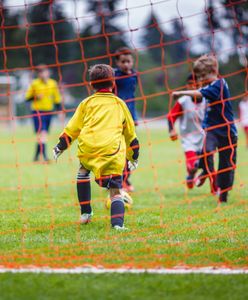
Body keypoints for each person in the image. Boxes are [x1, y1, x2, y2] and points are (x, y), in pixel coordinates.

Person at [53, 64, 139, 230]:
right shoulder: (120, 104)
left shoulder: (86, 103)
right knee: (115, 190)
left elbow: (72, 128)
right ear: (113, 83)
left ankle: (85, 213)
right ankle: (117, 225)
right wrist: (133, 156)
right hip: (111, 152)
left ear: (91, 85)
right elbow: (130, 133)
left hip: (89, 149)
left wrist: (60, 146)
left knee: (83, 172)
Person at [172, 54, 238, 203]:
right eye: (199, 77)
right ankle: (204, 171)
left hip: (227, 131)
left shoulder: (219, 84)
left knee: (226, 165)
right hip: (212, 129)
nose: (200, 80)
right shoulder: (209, 85)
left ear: (214, 70)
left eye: (202, 76)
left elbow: (198, 93)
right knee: (207, 150)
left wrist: (181, 92)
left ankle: (223, 195)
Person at [167, 74, 205, 189]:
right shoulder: (183, 101)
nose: (193, 87)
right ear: (186, 86)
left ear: (201, 85)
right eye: (190, 84)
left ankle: (216, 191)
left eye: (197, 84)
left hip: (205, 137)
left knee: (209, 166)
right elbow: (171, 117)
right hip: (188, 139)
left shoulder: (207, 100)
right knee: (193, 165)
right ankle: (191, 175)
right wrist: (172, 130)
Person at [25, 65, 62, 162]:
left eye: (44, 71)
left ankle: (36, 157)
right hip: (37, 112)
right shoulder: (34, 84)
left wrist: (60, 111)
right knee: (43, 134)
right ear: (38, 74)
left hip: (49, 112)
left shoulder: (53, 83)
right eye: (40, 72)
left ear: (48, 72)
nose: (43, 74)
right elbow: (27, 98)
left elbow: (57, 98)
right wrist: (36, 97)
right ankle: (45, 157)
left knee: (41, 136)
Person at [114, 47, 138, 192]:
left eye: (129, 61)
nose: (126, 64)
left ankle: (125, 180)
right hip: (116, 117)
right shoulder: (114, 76)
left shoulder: (135, 75)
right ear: (117, 62)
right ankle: (118, 180)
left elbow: (132, 98)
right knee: (117, 151)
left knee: (130, 150)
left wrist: (134, 117)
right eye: (123, 61)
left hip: (130, 117)